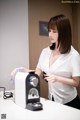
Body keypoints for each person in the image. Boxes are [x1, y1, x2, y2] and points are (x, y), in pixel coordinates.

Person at [11, 14, 80, 109]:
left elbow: (76, 82)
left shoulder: (73, 55)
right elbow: (36, 74)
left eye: (54, 31)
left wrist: (57, 78)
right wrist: (22, 70)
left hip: (69, 102)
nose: (50, 35)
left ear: (63, 32)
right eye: (49, 31)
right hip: (52, 99)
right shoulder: (45, 52)